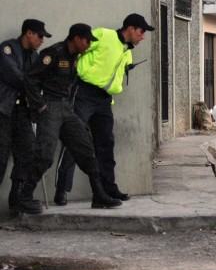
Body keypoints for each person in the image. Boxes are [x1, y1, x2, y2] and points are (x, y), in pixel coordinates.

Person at [16, 23, 123, 212]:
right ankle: (24, 197)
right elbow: (29, 78)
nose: (89, 45)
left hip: (66, 109)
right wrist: (39, 104)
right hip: (50, 108)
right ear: (76, 38)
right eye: (87, 41)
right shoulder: (54, 53)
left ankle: (98, 195)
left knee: (86, 150)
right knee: (45, 155)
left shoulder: (76, 57)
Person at [55, 14, 154, 206]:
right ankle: (62, 189)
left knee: (106, 144)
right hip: (84, 93)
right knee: (74, 140)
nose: (143, 36)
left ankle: (107, 190)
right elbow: (77, 50)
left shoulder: (127, 51)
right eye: (142, 32)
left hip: (104, 100)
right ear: (131, 28)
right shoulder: (104, 35)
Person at [0, 19, 51, 214]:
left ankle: (17, 198)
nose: (41, 40)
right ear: (28, 33)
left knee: (28, 152)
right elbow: (14, 76)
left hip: (22, 112)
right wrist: (35, 88)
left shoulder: (34, 57)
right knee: (1, 158)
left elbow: (40, 80)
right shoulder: (7, 49)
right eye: (39, 36)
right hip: (3, 111)